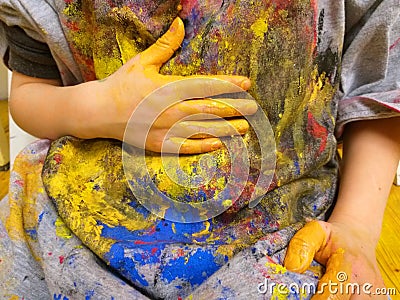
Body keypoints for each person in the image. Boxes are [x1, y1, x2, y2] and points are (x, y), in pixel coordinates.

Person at [0, 0, 399, 299]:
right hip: (67, 221)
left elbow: (379, 86)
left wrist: (357, 229)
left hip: (283, 236)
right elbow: (29, 93)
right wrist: (98, 109)